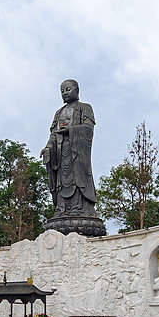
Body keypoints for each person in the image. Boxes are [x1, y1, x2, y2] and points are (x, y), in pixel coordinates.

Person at [41, 79, 98, 217]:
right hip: (60, 153)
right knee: (61, 181)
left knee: (76, 179)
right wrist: (48, 148)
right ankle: (62, 209)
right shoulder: (58, 113)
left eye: (68, 89)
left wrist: (70, 130)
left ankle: (78, 208)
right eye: (62, 91)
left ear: (76, 90)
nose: (65, 93)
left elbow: (88, 129)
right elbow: (53, 134)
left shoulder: (85, 108)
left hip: (77, 153)